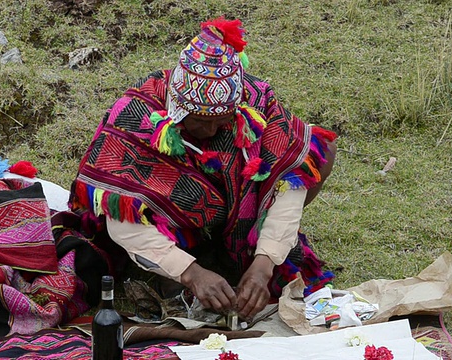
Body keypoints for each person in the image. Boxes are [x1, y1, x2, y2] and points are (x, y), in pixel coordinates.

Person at [69, 17, 337, 320]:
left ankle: (242, 256)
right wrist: (190, 272)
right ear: (177, 110)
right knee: (162, 234)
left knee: (314, 152)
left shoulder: (258, 103)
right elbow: (122, 218)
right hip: (177, 225)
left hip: (234, 219)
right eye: (199, 122)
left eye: (220, 123)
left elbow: (288, 186)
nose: (210, 133)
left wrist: (264, 264)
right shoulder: (136, 116)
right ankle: (175, 268)